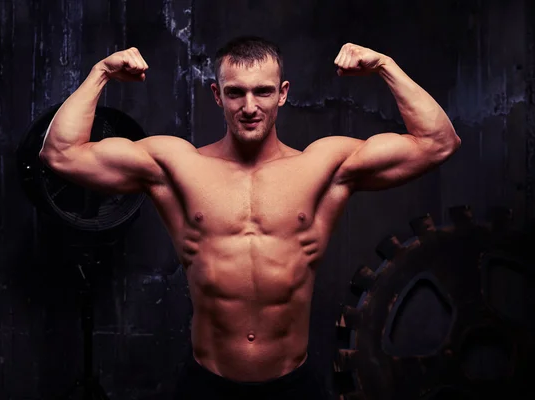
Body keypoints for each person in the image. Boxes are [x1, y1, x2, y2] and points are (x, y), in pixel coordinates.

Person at [39, 36, 460, 400]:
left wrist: (385, 66)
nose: (249, 106)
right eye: (236, 92)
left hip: (292, 385)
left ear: (283, 93)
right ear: (216, 95)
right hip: (207, 384)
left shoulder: (324, 166)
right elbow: (60, 154)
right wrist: (100, 73)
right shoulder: (176, 165)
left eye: (262, 91)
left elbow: (437, 142)